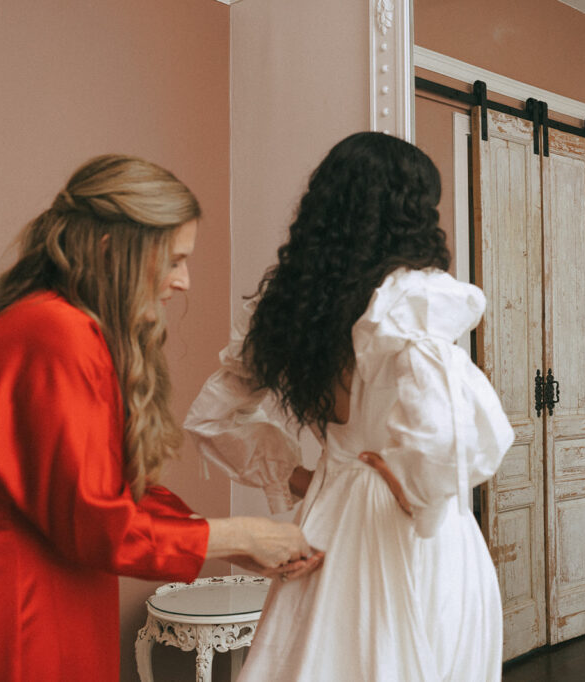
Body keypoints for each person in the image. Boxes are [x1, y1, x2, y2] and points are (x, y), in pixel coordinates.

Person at [0, 154, 320, 681]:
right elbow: (98, 520)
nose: (185, 281)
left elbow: (103, 493)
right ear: (110, 250)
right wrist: (237, 535)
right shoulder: (59, 335)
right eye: (173, 260)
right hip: (6, 600)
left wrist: (220, 541)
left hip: (13, 584)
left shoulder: (46, 322)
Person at [184, 132, 515, 681]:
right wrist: (425, 499)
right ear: (411, 214)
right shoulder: (409, 303)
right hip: (412, 534)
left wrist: (301, 477)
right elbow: (457, 438)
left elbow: (210, 418)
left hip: (330, 516)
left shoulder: (293, 305)